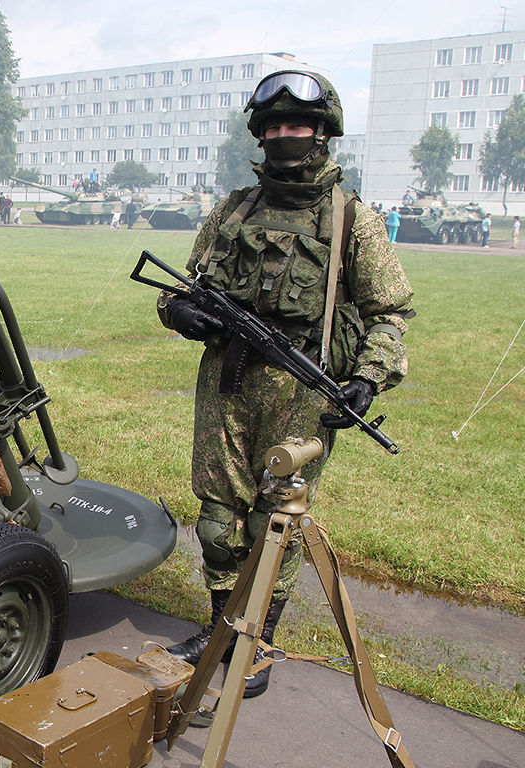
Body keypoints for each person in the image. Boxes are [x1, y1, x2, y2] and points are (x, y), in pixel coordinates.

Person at [156, 70, 414, 698]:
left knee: (275, 523)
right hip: (225, 383)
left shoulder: (354, 220)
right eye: (273, 126)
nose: (284, 135)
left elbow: (390, 312)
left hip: (302, 395)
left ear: (323, 133)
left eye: (297, 125)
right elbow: (186, 289)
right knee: (218, 519)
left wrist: (367, 380)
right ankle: (222, 630)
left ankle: (257, 646)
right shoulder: (231, 211)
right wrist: (179, 312)